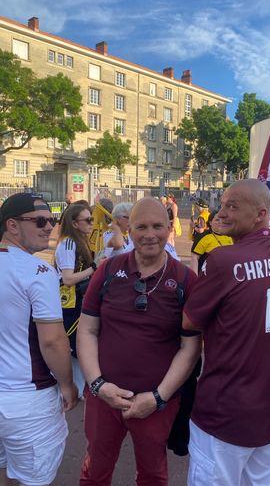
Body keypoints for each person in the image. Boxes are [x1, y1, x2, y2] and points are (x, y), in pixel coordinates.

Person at [183, 179, 270, 486]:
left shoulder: (222, 260)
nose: (223, 212)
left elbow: (189, 320)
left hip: (224, 411)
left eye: (233, 206)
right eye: (222, 204)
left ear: (260, 214)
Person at [77, 197, 201, 486]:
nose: (149, 234)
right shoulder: (108, 271)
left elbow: (190, 347)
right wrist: (98, 385)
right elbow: (87, 331)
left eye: (157, 226)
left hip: (155, 402)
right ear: (128, 230)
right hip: (103, 397)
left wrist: (159, 397)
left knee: (153, 475)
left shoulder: (185, 280)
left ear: (170, 228)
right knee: (95, 471)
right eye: (141, 226)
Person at [0, 193, 78, 486]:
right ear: (12, 225)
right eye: (41, 221)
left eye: (53, 220)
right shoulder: (39, 271)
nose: (50, 227)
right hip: (27, 400)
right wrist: (68, 384)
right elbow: (53, 341)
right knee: (35, 479)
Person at [54, 203, 99, 398]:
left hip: (78, 299)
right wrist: (95, 268)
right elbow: (68, 279)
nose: (91, 223)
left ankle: (80, 387)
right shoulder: (68, 244)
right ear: (74, 223)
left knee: (77, 344)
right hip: (69, 301)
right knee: (74, 344)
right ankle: (72, 386)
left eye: (92, 219)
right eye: (87, 220)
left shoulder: (78, 242)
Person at [190, 209, 233, 274]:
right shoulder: (203, 237)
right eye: (217, 220)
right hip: (207, 276)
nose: (220, 222)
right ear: (210, 222)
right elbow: (194, 257)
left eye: (223, 220)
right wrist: (194, 278)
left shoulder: (230, 235)